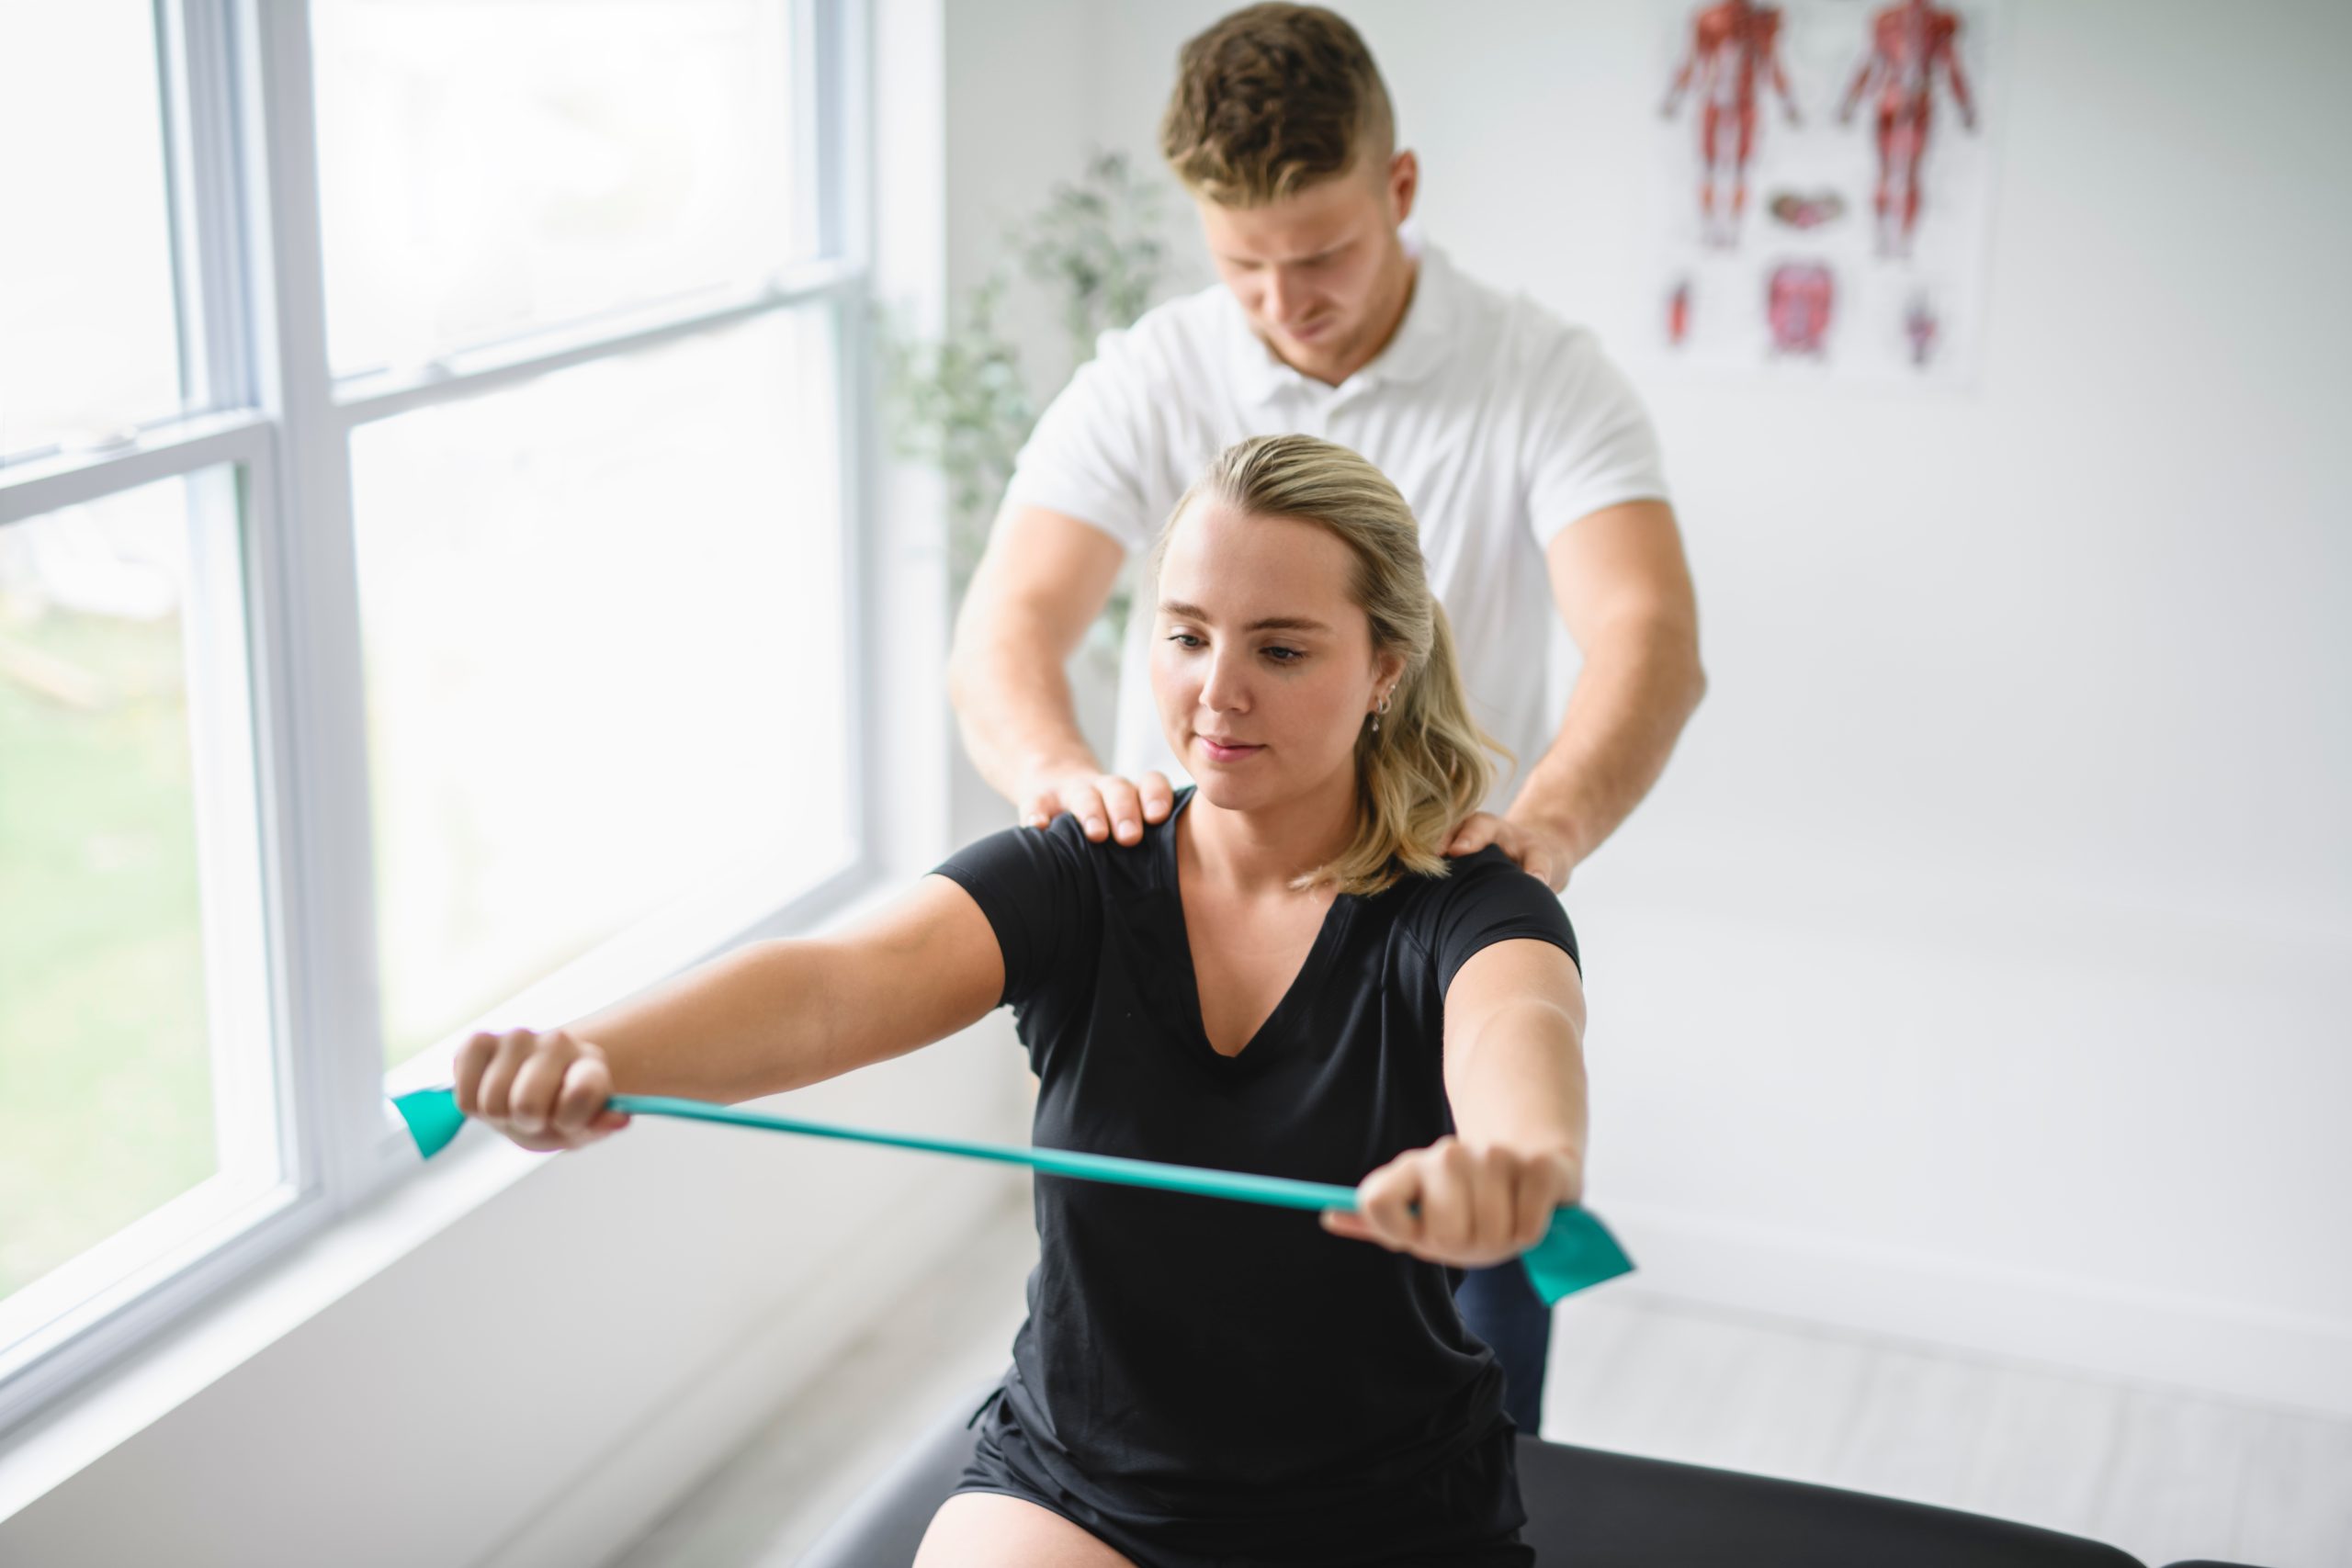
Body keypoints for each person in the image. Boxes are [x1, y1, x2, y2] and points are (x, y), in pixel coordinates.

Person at [460, 435, 1589, 1565]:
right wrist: (588, 1053)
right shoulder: (1082, 872)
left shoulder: (1466, 907)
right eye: (1186, 636)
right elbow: (828, 990)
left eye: (1281, 650)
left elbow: (1519, 1028)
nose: (1217, 691)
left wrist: (1516, 1161)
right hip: (1081, 1486)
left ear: (1386, 667)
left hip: (1381, 1518)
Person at [950, 3, 1705, 1430]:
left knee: (1465, 1392)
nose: (1287, 303)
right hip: (1196, 943)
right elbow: (1005, 628)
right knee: (1149, 1371)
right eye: (1245, 267)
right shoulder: (1151, 372)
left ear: (1400, 189)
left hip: (1420, 929)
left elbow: (1649, 638)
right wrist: (1058, 784)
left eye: (1324, 256)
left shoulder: (1542, 376)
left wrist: (1544, 830)